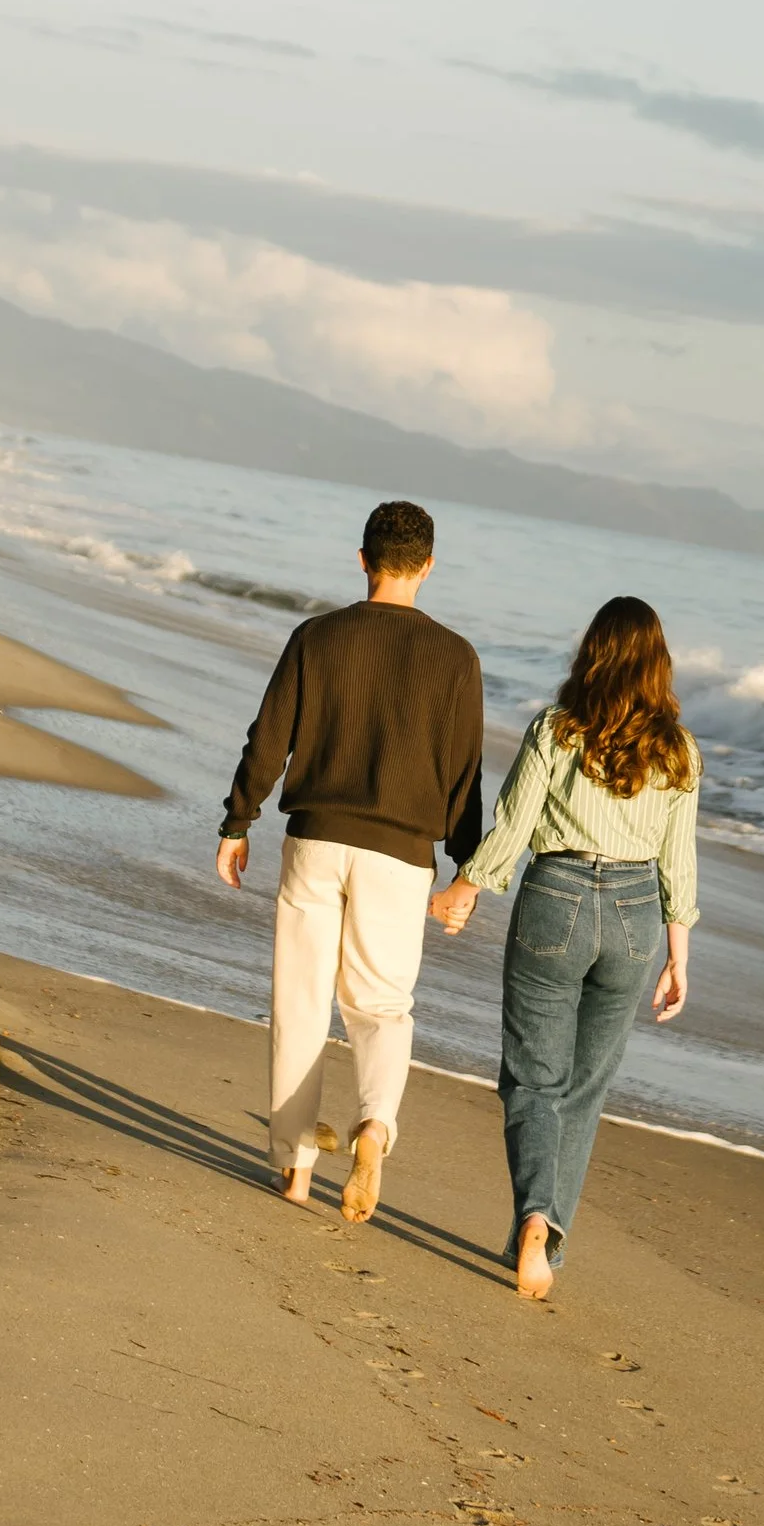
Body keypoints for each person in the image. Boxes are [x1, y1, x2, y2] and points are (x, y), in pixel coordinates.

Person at [214, 499, 483, 1223]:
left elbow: (270, 735)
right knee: (382, 1007)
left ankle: (296, 1168)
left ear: (361, 559)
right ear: (428, 567)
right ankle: (374, 1126)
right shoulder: (457, 657)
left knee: (301, 1002)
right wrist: (467, 870)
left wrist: (239, 820)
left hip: (316, 839)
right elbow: (465, 773)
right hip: (401, 857)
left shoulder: (317, 637)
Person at [431, 593, 697, 1301]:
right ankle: (547, 1236)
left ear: (594, 652)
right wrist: (679, 955)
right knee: (583, 1088)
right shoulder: (679, 749)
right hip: (640, 916)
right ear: (658, 665)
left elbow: (514, 820)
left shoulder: (557, 728)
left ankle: (535, 1218)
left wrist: (469, 887)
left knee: (532, 1079)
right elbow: (679, 859)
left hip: (557, 897)